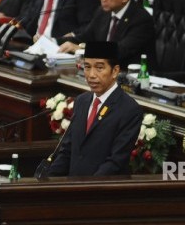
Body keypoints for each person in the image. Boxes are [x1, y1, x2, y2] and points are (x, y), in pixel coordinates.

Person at [45, 41, 143, 176]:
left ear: (115, 71)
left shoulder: (129, 110)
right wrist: (48, 182)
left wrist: (88, 189)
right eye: (87, 67)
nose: (91, 75)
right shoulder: (81, 101)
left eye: (99, 68)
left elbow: (115, 162)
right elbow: (67, 150)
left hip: (101, 192)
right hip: (72, 189)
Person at [58, 0, 155, 69]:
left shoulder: (141, 19)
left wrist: (82, 49)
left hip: (129, 75)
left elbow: (119, 51)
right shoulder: (102, 12)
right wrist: (53, 41)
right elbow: (84, 37)